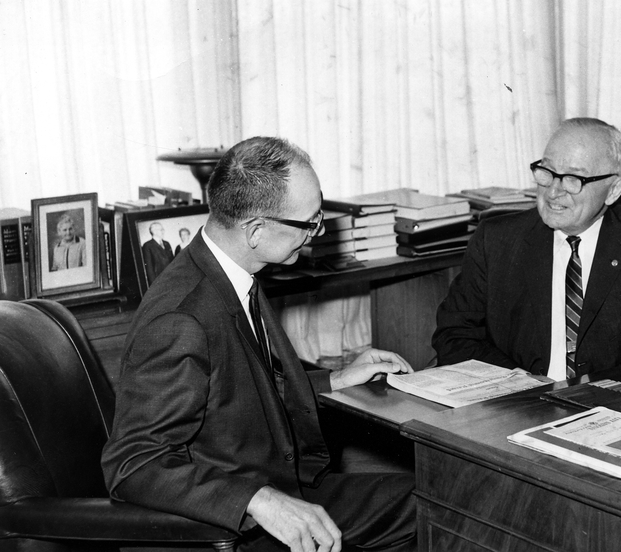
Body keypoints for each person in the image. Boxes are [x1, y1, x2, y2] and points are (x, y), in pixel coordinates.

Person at [102, 136, 417, 552]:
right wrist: (258, 501)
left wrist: (334, 379)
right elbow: (132, 464)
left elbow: (247, 385)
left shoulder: (231, 269)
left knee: (438, 498)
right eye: (310, 223)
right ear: (255, 230)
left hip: (284, 486)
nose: (316, 234)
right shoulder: (180, 318)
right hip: (238, 523)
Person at [433, 117, 621, 380]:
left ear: (614, 189)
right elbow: (454, 335)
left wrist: (608, 384)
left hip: (614, 407)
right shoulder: (496, 240)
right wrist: (518, 382)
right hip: (515, 404)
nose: (554, 191)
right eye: (547, 171)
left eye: (573, 179)